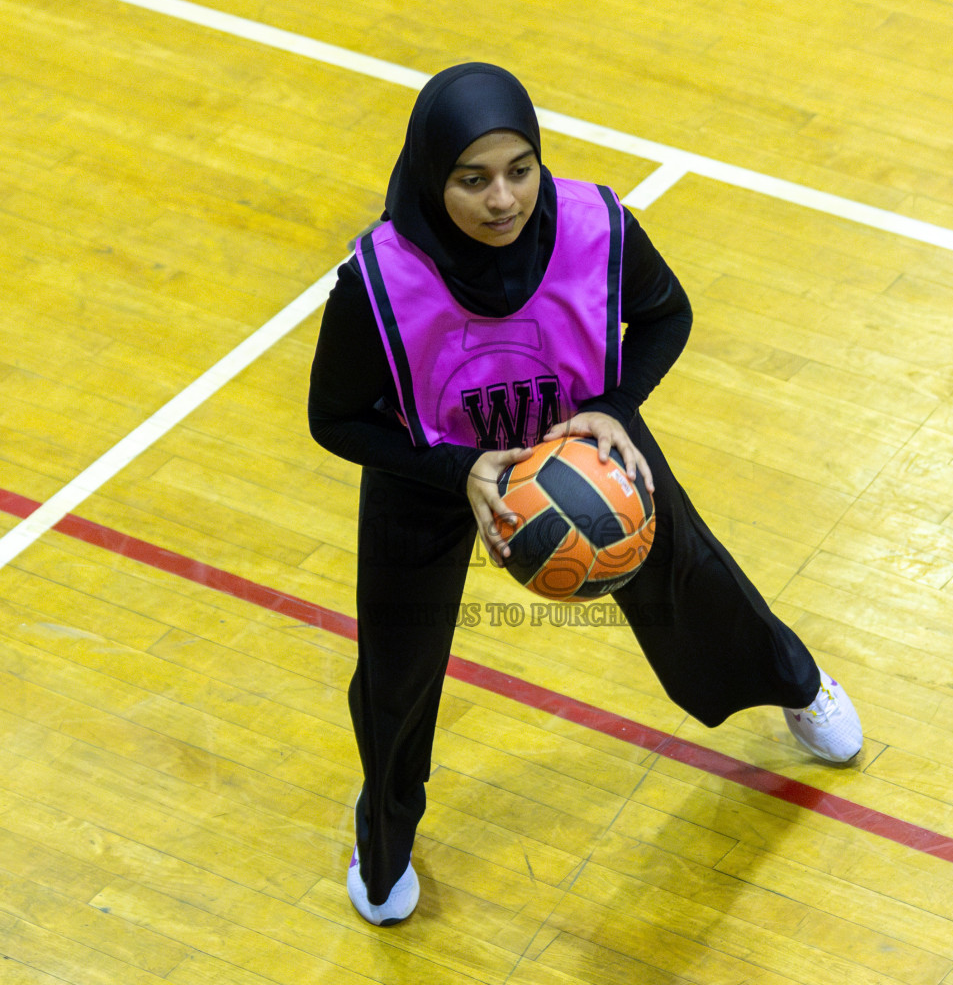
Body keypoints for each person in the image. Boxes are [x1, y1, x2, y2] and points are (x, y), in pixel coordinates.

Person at [307, 62, 863, 927]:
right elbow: (335, 419)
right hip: (432, 470)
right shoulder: (377, 281)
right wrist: (458, 473)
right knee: (395, 668)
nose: (502, 200)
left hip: (580, 447)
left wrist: (610, 407)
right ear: (429, 175)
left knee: (691, 574)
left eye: (519, 170)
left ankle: (796, 684)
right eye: (472, 179)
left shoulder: (596, 226)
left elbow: (668, 314)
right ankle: (383, 836)